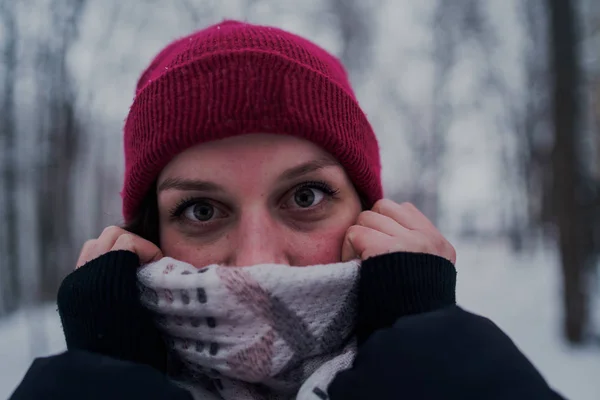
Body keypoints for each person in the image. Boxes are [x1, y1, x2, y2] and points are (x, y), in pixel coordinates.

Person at [11, 20, 564, 400]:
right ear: (146, 236)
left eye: (305, 197)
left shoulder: (436, 365)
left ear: (370, 219)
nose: (256, 263)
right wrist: (105, 376)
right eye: (201, 210)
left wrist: (426, 351)